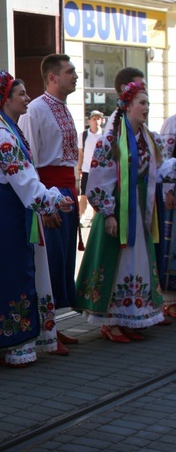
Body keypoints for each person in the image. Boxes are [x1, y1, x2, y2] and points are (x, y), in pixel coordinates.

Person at [0, 70, 74, 367]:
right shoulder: (4, 137)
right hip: (9, 213)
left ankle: (18, 338)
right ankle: (7, 341)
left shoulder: (10, 131)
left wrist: (49, 198)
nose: (27, 98)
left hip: (13, 209)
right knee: (9, 274)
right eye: (21, 94)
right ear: (6, 100)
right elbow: (25, 182)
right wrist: (53, 199)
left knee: (18, 271)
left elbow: (26, 179)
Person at [76, 82, 173, 342]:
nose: (146, 108)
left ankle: (129, 315)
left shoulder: (149, 138)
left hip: (141, 208)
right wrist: (107, 213)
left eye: (148, 104)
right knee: (118, 260)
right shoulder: (112, 138)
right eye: (142, 103)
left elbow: (161, 169)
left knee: (137, 260)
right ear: (128, 106)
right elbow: (98, 178)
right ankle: (110, 321)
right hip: (119, 208)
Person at [17, 53, 80, 352]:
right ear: (52, 77)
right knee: (49, 261)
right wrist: (45, 205)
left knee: (63, 261)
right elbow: (31, 161)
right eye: (70, 72)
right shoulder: (36, 110)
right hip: (50, 191)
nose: (75, 76)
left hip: (66, 190)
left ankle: (53, 326)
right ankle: (44, 330)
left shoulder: (65, 109)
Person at [158, 113, 176, 319]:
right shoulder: (172, 123)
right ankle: (170, 300)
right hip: (175, 190)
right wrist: (169, 189)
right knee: (172, 246)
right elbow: (165, 156)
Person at [77, 110, 104, 226]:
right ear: (89, 121)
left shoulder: (105, 135)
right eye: (94, 119)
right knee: (84, 194)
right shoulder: (83, 135)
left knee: (97, 194)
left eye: (98, 119)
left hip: (100, 170)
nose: (96, 121)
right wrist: (79, 167)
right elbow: (81, 152)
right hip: (87, 169)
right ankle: (82, 216)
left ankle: (94, 217)